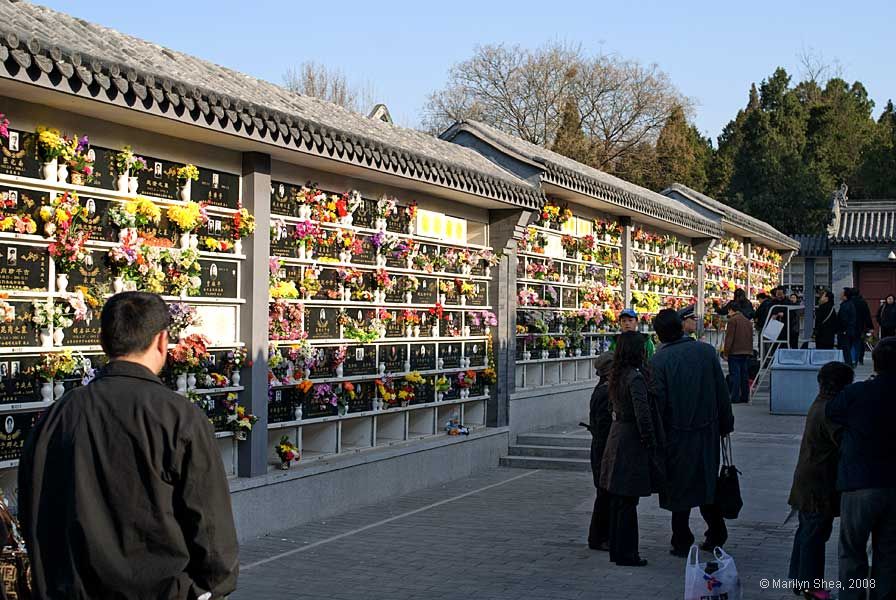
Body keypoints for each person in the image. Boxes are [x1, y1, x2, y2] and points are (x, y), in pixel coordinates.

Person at [18, 292, 239, 599]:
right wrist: (202, 591)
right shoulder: (180, 418)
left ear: (103, 341)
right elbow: (210, 525)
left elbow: (33, 508)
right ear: (162, 341)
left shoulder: (58, 415)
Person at [650, 308, 734, 556]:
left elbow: (659, 404)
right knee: (707, 481)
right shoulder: (706, 352)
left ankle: (681, 539)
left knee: (679, 486)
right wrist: (726, 423)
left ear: (659, 334)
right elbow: (722, 391)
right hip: (707, 431)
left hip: (676, 434)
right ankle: (716, 532)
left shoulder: (659, 361)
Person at [826, 338, 896, 600]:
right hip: (893, 485)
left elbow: (831, 412)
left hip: (859, 483)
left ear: (875, 363)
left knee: (852, 552)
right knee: (888, 553)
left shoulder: (857, 394)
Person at [788, 362, 855, 600]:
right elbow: (846, 443)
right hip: (818, 483)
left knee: (808, 530)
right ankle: (810, 586)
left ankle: (799, 579)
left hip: (809, 480)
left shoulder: (820, 404)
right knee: (814, 534)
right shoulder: (830, 411)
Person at [599, 332, 664, 567]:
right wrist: (650, 441)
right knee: (628, 501)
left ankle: (617, 550)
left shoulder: (617, 374)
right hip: (630, 441)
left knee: (618, 499)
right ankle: (628, 553)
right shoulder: (635, 378)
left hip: (617, 436)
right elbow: (642, 413)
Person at [587, 352, 614, 551]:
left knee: (604, 494)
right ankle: (599, 537)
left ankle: (600, 536)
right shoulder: (605, 393)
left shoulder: (603, 389)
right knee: (605, 494)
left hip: (600, 447)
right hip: (603, 448)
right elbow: (604, 426)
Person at [723, 300, 753, 404]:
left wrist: (726, 352)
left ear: (731, 310)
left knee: (735, 375)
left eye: (728, 310)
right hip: (746, 351)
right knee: (744, 375)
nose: (728, 313)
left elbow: (729, 338)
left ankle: (734, 397)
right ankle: (745, 396)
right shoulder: (747, 321)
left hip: (735, 352)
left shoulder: (732, 321)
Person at [838, 288, 859, 368]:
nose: (840, 294)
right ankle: (848, 364)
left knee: (845, 350)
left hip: (845, 331)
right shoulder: (850, 304)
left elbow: (844, 319)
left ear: (845, 295)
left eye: (841, 293)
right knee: (847, 349)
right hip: (849, 330)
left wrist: (843, 330)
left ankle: (848, 366)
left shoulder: (845, 305)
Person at [852, 289, 873, 365]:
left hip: (852, 325)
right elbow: (867, 315)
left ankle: (853, 358)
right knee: (860, 342)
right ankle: (860, 358)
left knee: (851, 342)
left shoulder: (849, 302)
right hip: (861, 326)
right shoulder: (863, 302)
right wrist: (870, 326)